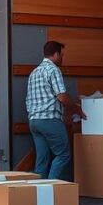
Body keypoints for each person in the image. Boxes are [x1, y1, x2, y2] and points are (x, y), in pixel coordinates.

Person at [26, 41, 85, 181]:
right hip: (49, 120)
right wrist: (78, 110)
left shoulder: (34, 72)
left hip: (34, 122)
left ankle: (38, 194)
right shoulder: (53, 70)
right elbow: (62, 97)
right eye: (62, 55)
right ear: (56, 54)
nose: (62, 58)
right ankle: (50, 187)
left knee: (42, 160)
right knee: (63, 155)